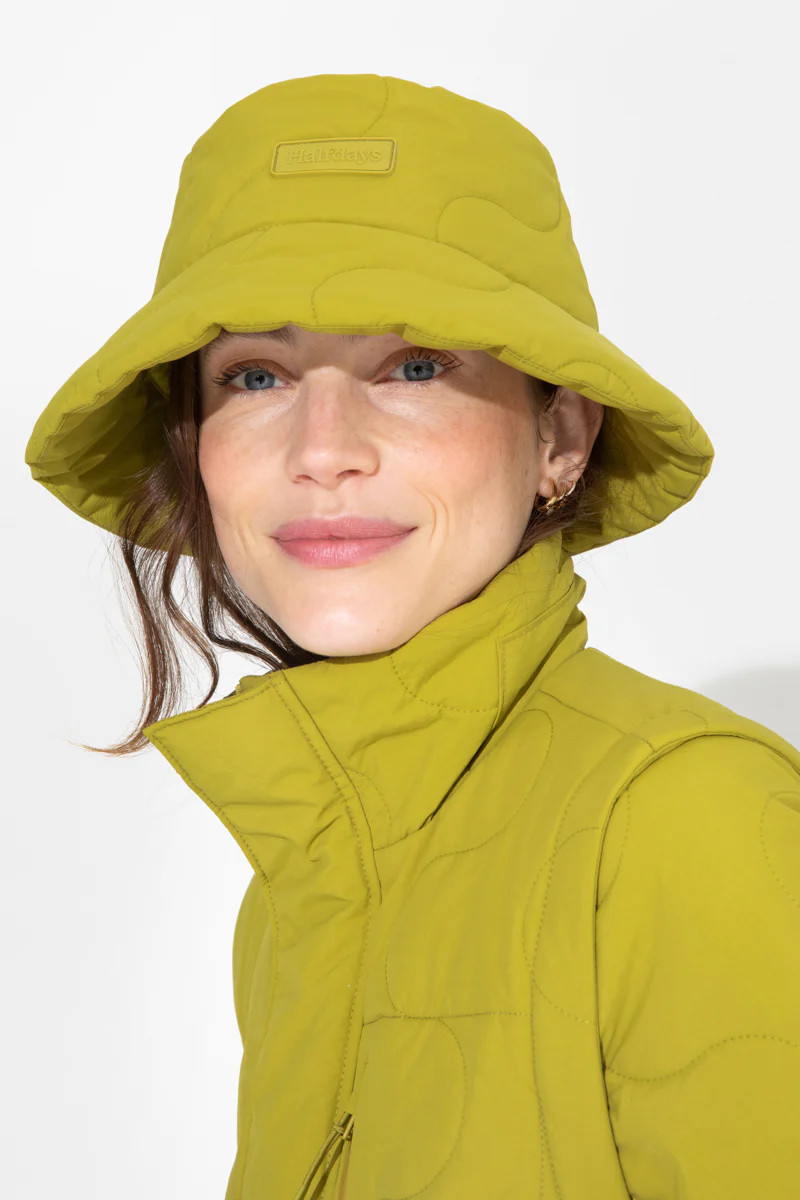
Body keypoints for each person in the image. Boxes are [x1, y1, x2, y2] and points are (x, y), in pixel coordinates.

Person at [24, 74, 800, 1200]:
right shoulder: (299, 885)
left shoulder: (687, 812)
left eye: (417, 366)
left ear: (561, 437)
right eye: (254, 376)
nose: (322, 450)